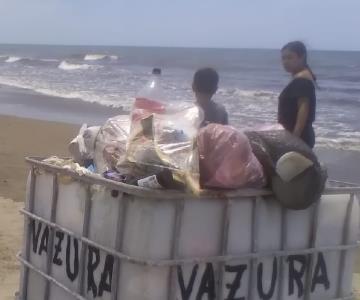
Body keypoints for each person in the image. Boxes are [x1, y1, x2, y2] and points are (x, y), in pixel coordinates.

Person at [278, 41, 317, 148]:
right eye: (283, 58)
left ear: (302, 57)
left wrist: (294, 139)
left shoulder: (302, 79)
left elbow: (303, 110)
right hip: (298, 136)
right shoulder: (301, 77)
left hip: (299, 137)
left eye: (290, 57)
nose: (285, 62)